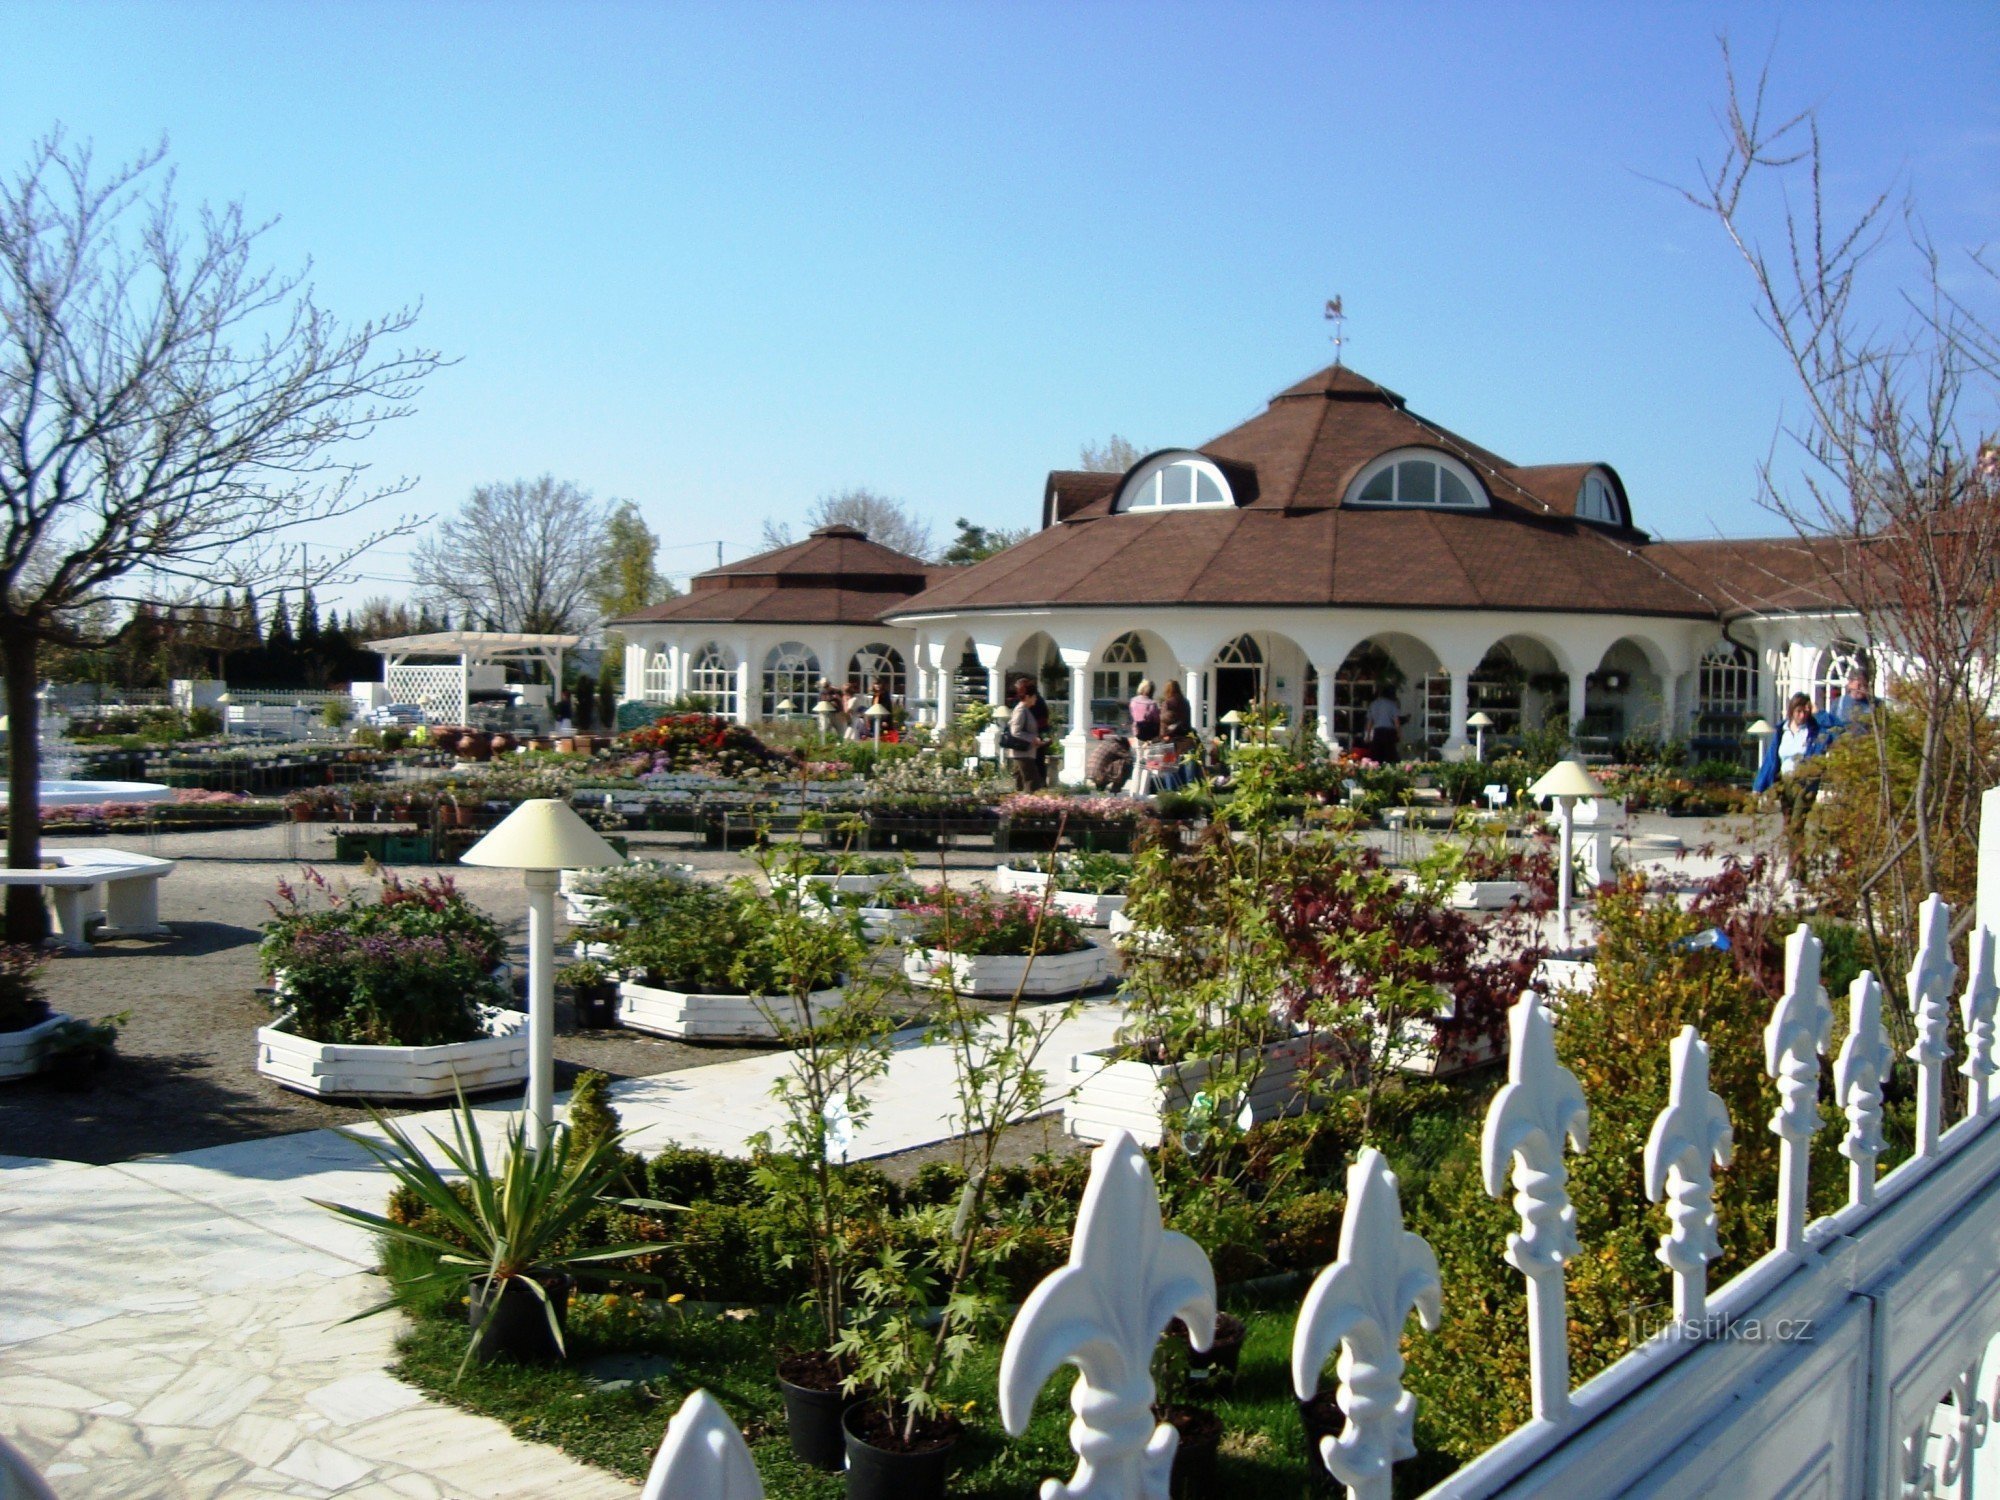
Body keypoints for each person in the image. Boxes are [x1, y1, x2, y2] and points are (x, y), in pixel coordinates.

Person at [1753, 692, 1827, 868]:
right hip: (1785, 783)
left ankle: (1795, 872)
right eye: (1799, 711)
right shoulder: (1782, 730)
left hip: (1805, 783)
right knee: (1789, 827)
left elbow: (1835, 728)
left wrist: (1820, 713)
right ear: (1792, 711)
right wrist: (1759, 786)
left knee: (1797, 825)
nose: (1802, 715)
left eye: (1806, 711)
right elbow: (1771, 760)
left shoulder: (1814, 730)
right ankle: (1796, 869)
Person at [1005, 678, 1046, 790]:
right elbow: (1015, 731)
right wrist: (1033, 738)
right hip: (1022, 753)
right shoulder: (1021, 710)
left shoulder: (1026, 710)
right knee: (1032, 782)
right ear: (1028, 697)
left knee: (1021, 783)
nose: (1036, 699)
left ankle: (1019, 804)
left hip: (1027, 752)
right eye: (1034, 697)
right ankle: (1029, 805)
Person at [1830, 666, 1874, 737]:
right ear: (1850, 684)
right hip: (1842, 745)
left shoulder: (1874, 704)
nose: (1862, 689)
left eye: (1864, 686)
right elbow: (1831, 726)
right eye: (1859, 686)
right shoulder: (1839, 703)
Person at [1364, 688, 1404, 764]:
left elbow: (1370, 722)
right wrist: (1399, 733)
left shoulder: (1373, 704)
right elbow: (1396, 721)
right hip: (1389, 732)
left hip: (1378, 731)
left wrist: (1368, 735)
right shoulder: (1392, 704)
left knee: (1377, 756)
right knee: (1390, 755)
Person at [1158, 679, 1191, 747]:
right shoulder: (1186, 702)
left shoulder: (1167, 703)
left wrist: (1162, 736)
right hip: (1185, 735)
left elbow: (1164, 721)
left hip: (1171, 737)